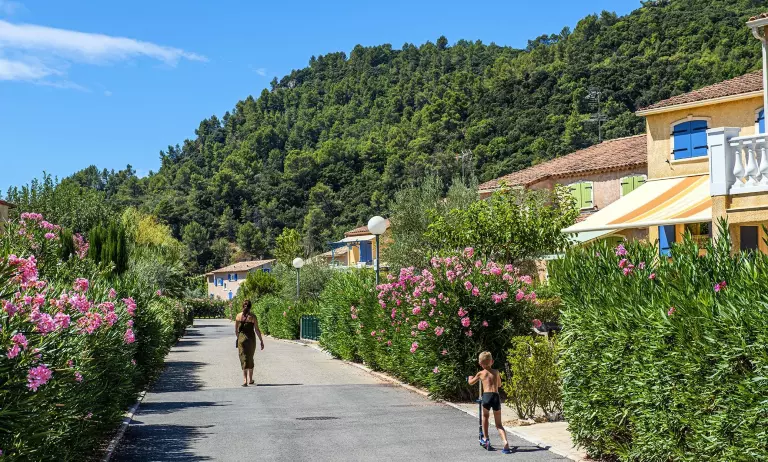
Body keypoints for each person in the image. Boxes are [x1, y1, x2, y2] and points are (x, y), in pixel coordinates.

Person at [468, 351, 511, 454]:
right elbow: (499, 385)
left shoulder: (480, 373)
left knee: (485, 417)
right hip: (495, 397)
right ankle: (505, 442)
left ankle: (486, 438)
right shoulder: (496, 372)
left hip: (486, 397)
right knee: (499, 424)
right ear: (492, 361)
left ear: (480, 363)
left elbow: (471, 383)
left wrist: (470, 378)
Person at [235, 300, 264, 386]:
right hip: (251, 340)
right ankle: (250, 379)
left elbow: (236, 330)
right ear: (250, 307)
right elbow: (257, 330)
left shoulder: (238, 316)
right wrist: (261, 341)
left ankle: (245, 380)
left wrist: (240, 338)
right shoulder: (253, 317)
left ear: (242, 306)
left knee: (243, 358)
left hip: (241, 340)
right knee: (250, 358)